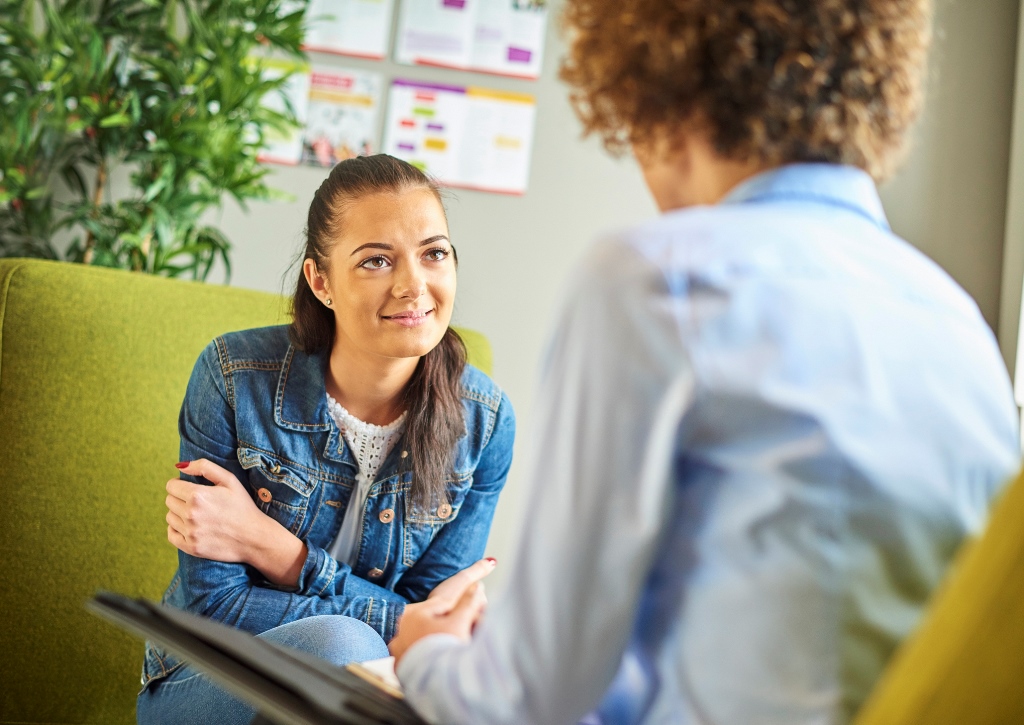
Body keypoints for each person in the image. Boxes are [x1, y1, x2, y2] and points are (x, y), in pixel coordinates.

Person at [383, 1, 1022, 724]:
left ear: (656, 84)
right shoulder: (957, 320)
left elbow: (522, 704)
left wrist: (426, 651)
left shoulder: (658, 279)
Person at [135, 154, 515, 724]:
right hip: (209, 678)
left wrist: (272, 548)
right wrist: (396, 623)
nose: (415, 285)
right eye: (376, 261)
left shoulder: (485, 423)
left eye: (434, 253)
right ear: (321, 281)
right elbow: (214, 605)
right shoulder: (233, 378)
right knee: (345, 649)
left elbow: (433, 631)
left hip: (373, 701)